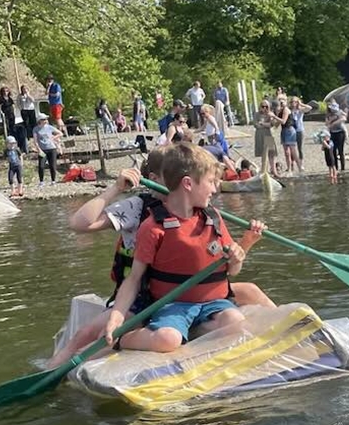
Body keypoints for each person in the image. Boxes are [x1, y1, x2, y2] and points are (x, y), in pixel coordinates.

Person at [99, 144, 264, 353]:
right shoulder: (152, 227)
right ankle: (124, 339)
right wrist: (117, 317)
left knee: (236, 321)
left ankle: (191, 331)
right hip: (173, 306)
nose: (215, 189)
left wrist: (238, 255)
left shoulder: (212, 218)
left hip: (214, 303)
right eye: (211, 182)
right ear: (188, 184)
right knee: (168, 340)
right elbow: (133, 279)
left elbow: (232, 271)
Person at [32, 112, 62, 184]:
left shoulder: (49, 127)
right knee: (41, 166)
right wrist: (38, 149)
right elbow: (35, 141)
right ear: (40, 120)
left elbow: (60, 133)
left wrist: (54, 138)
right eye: (44, 119)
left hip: (52, 148)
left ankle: (53, 180)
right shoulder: (36, 129)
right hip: (42, 150)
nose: (45, 120)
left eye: (46, 119)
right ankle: (41, 181)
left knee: (52, 165)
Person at [325, 102, 348, 172]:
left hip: (340, 132)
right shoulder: (328, 115)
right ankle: (336, 167)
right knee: (333, 150)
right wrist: (331, 120)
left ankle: (343, 167)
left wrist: (334, 122)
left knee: (340, 150)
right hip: (332, 133)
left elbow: (344, 118)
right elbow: (327, 124)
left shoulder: (340, 113)